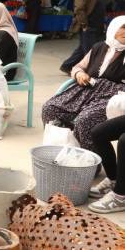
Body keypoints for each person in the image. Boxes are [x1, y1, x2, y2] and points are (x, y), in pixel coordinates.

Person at [42, 17, 125, 153]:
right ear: (114, 29)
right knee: (50, 108)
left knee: (85, 120)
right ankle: (59, 150)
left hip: (113, 97)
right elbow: (78, 67)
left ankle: (89, 162)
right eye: (123, 28)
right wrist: (79, 74)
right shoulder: (99, 47)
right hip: (87, 89)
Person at [60, 0, 107, 75]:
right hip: (89, 27)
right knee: (91, 51)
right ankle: (91, 73)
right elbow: (79, 9)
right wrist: (84, 25)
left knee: (83, 49)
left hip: (97, 26)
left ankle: (67, 66)